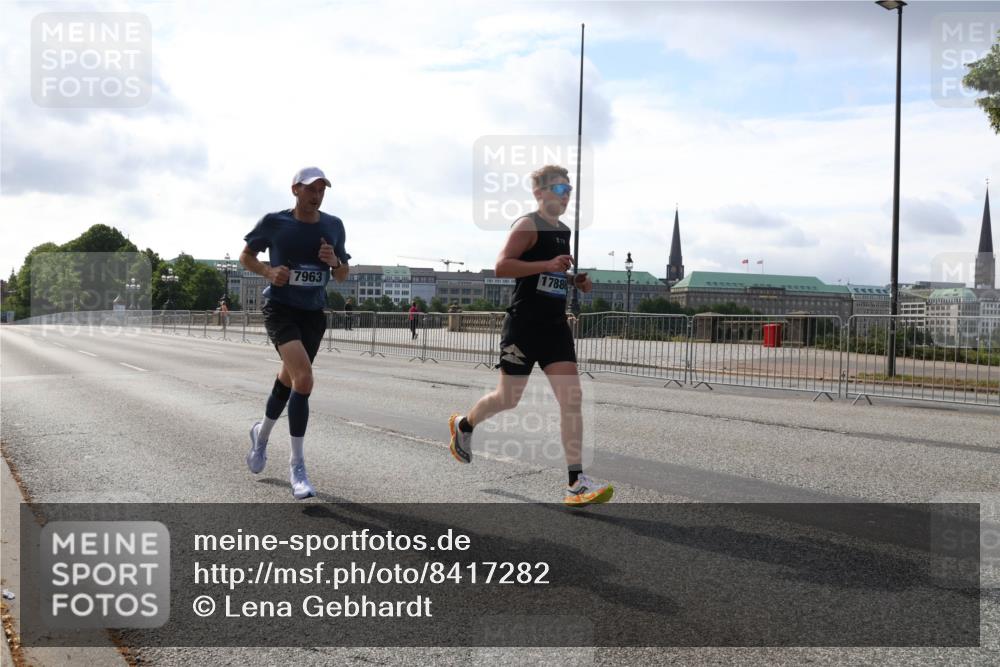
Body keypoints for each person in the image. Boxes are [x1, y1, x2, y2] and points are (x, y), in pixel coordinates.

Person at [448, 165, 613, 507]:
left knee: (572, 399)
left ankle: (575, 483)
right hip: (523, 327)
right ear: (540, 193)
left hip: (554, 327)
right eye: (559, 189)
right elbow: (502, 266)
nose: (565, 195)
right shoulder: (527, 225)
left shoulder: (564, 230)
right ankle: (465, 424)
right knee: (508, 398)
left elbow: (550, 273)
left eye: (568, 190)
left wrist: (573, 280)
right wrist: (548, 266)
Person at [240, 166, 350, 499]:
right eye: (310, 189)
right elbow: (246, 256)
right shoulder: (275, 222)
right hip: (281, 309)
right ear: (295, 190)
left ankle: (261, 436)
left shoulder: (334, 226)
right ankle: (297, 467)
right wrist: (268, 271)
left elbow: (343, 274)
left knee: (289, 379)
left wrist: (334, 261)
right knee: (304, 379)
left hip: (313, 314)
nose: (316, 196)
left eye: (321, 190)